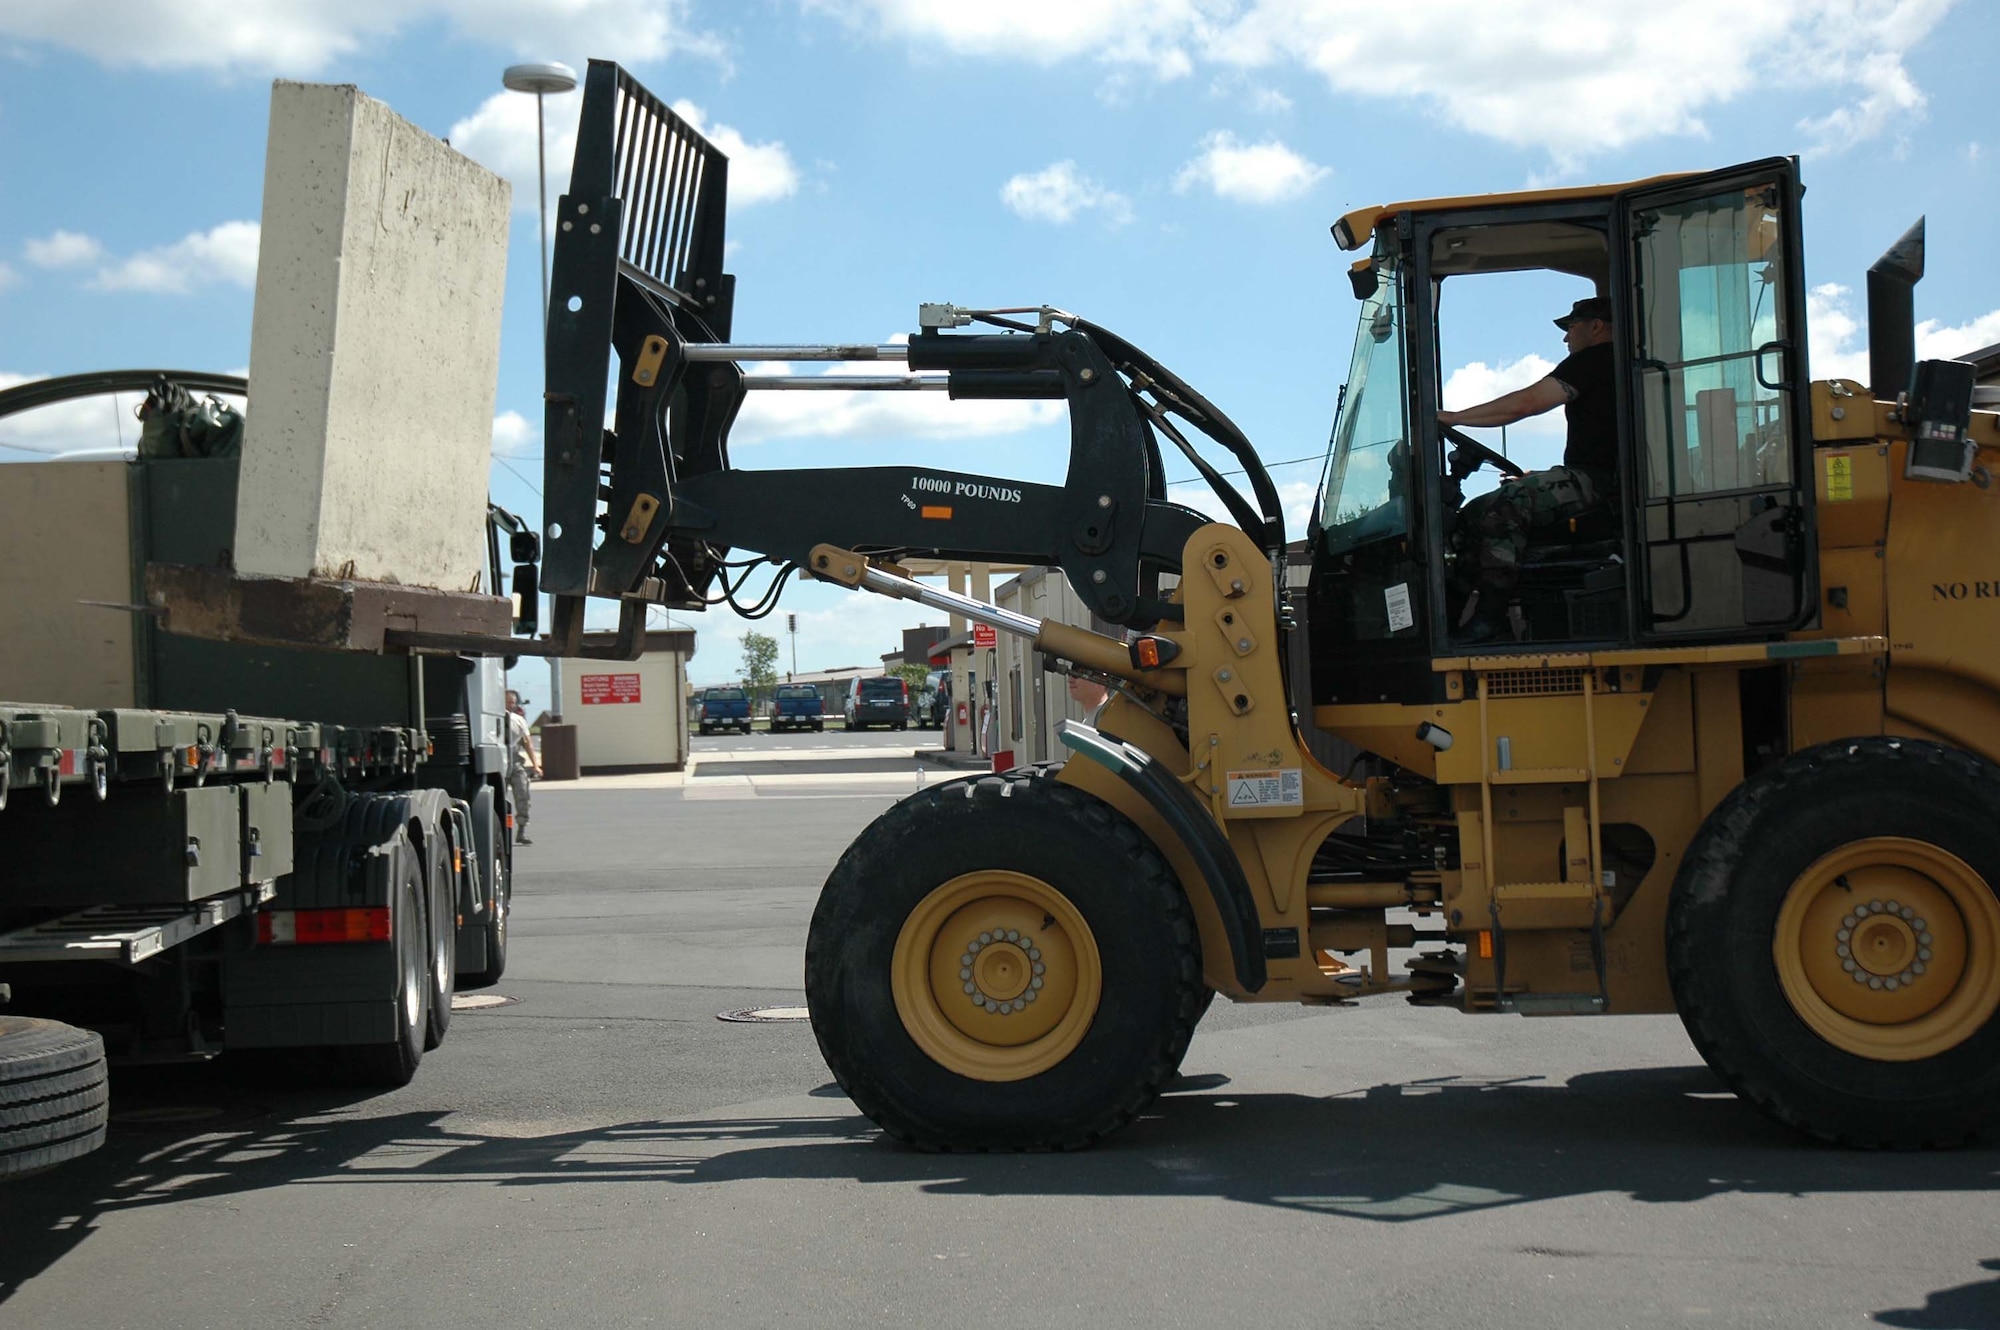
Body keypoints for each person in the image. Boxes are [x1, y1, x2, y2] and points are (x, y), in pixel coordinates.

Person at [1437, 295, 1617, 640]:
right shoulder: (1606, 363)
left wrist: (1455, 418)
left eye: (1571, 328)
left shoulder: (1596, 359)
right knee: (1474, 512)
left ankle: (1489, 616)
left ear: (1595, 327)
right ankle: (1456, 616)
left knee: (1505, 506)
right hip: (1589, 477)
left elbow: (1526, 404)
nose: (1566, 338)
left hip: (1599, 483)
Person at [506, 689, 542, 846]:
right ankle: (502, 832)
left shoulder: (518, 720)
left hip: (515, 762)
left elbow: (527, 742)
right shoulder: (491, 719)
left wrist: (535, 765)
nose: (509, 705)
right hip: (497, 762)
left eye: (512, 702)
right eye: (507, 702)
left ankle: (521, 831)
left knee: (523, 795)